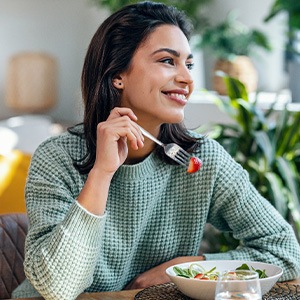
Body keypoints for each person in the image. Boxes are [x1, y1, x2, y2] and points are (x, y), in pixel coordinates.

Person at [13, 1, 300, 299]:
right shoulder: (57, 158)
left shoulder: (201, 160)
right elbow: (56, 288)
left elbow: (285, 250)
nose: (187, 79)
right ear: (118, 74)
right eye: (167, 61)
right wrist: (102, 172)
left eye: (188, 64)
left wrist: (187, 267)